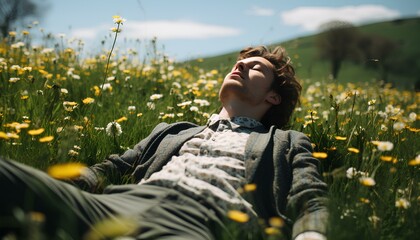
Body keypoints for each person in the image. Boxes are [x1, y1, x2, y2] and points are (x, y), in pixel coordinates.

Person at [0, 46, 328, 240]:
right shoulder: (172, 130)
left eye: (256, 67)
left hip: (197, 222)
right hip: (117, 205)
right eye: (239, 63)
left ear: (273, 96)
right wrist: (53, 187)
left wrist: (311, 233)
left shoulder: (285, 142)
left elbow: (309, 198)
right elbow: (111, 169)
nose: (240, 65)